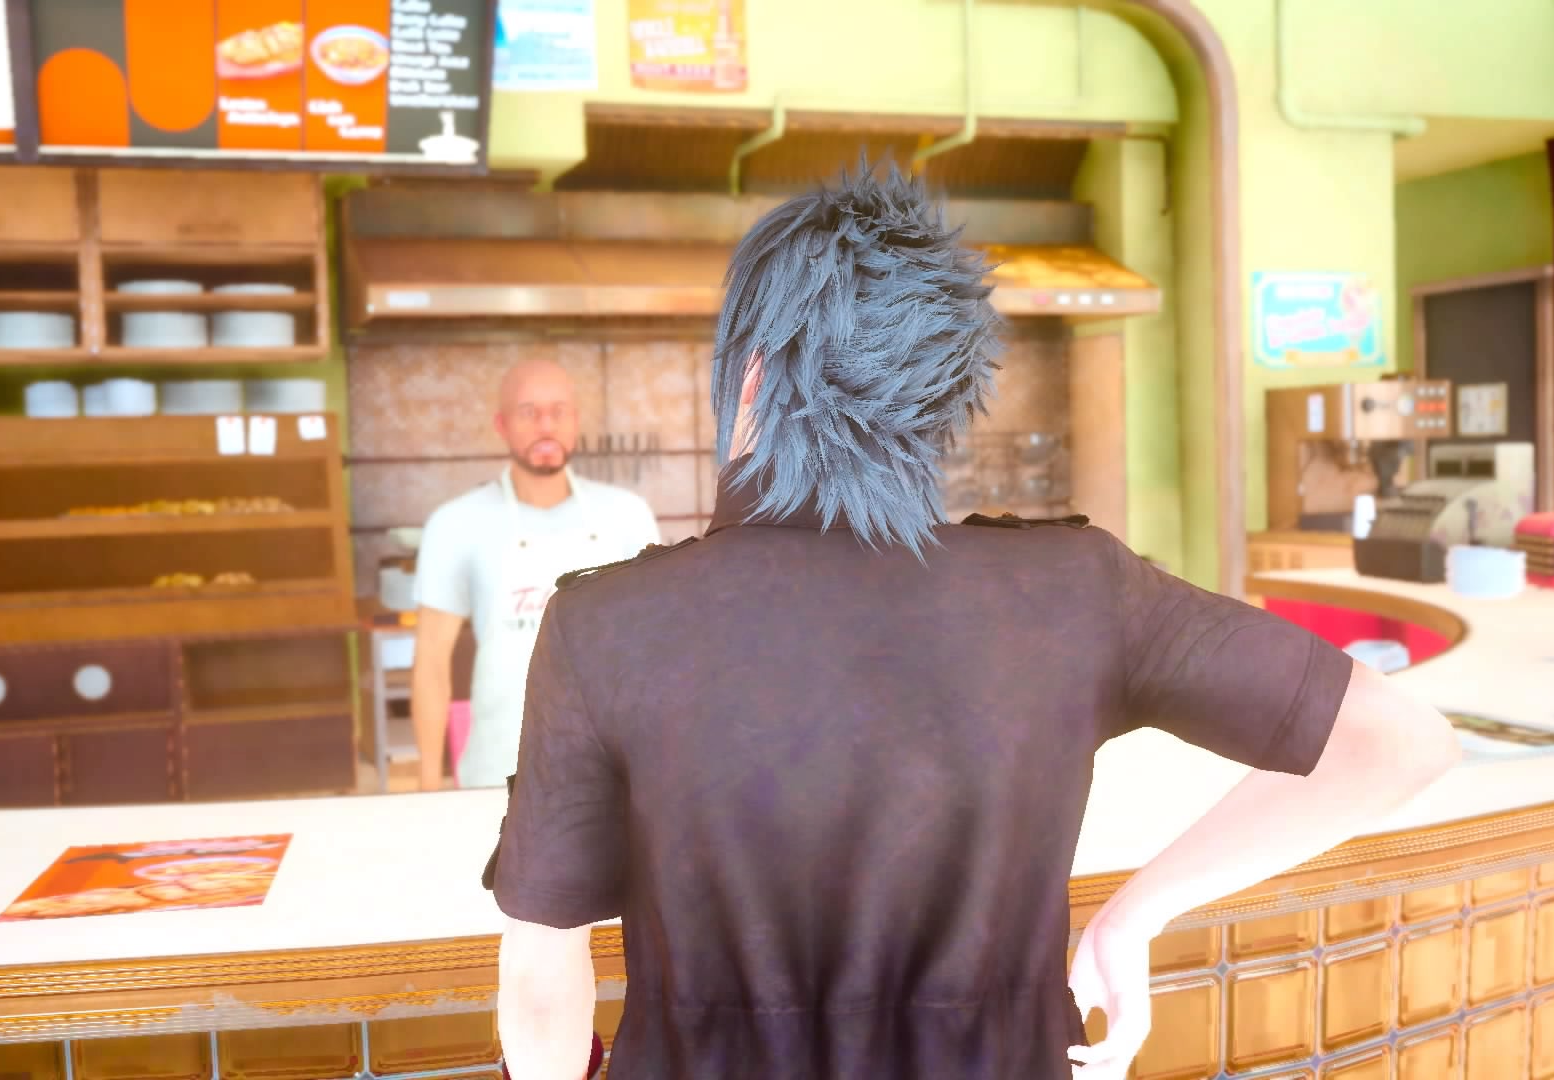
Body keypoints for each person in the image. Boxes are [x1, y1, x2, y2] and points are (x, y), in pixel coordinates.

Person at [487, 163, 1461, 1080]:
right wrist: (1136, 915)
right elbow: (1398, 741)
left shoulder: (605, 624)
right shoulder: (1074, 589)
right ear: (938, 392)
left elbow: (539, 987)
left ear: (750, 378)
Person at [409, 358, 660, 791]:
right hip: (496, 768)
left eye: (559, 411)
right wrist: (428, 785)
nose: (547, 424)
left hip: (609, 771)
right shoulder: (455, 525)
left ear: (575, 421)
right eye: (529, 412)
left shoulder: (627, 516)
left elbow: (655, 650)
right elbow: (431, 663)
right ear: (501, 425)